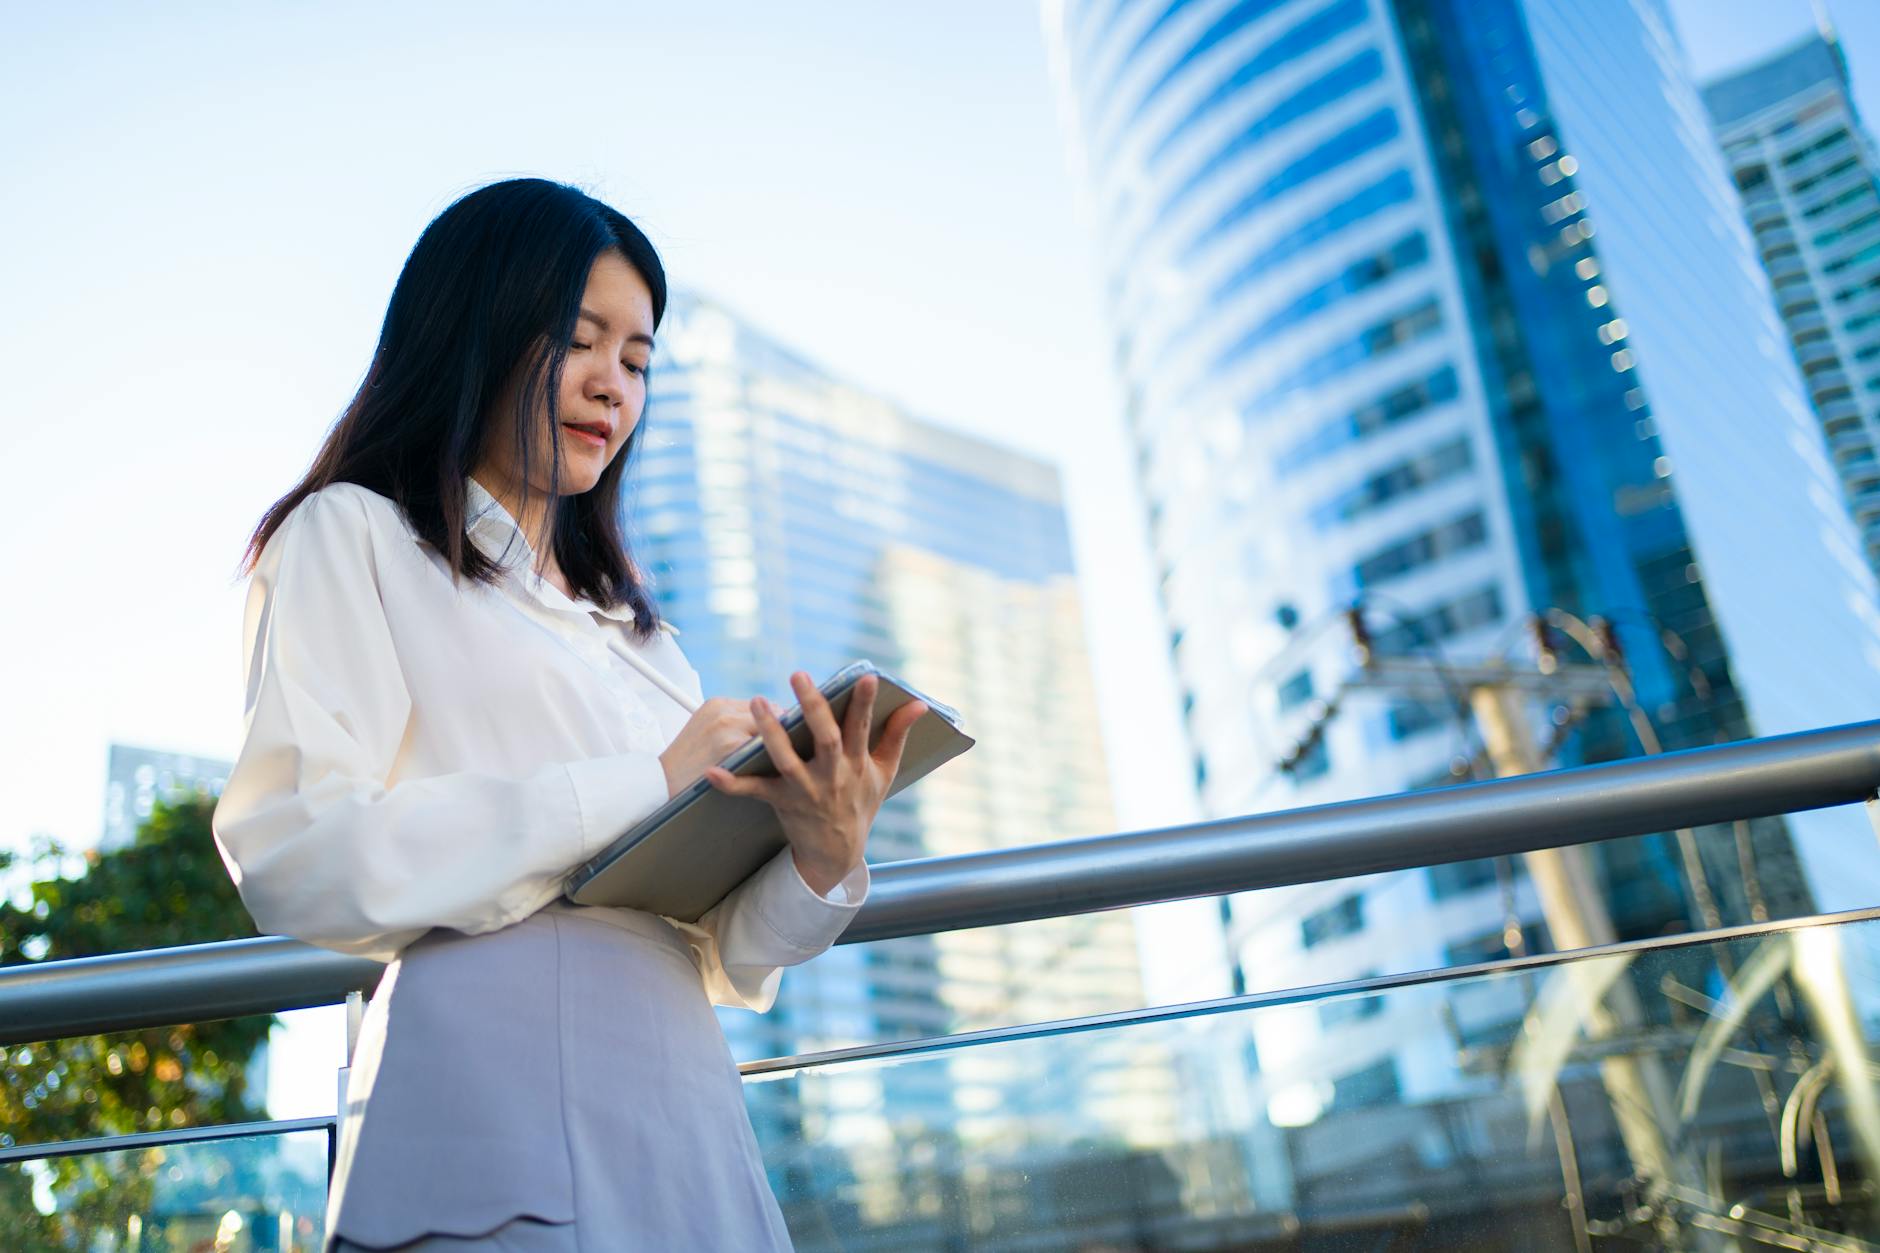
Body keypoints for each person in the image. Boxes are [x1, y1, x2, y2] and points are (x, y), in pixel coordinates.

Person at [210, 177, 927, 1251]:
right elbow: (298, 852)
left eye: (638, 361)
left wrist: (817, 858)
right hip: (490, 1131)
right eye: (577, 339)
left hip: (687, 1136)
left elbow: (720, 954)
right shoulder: (353, 536)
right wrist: (646, 784)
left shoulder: (644, 645)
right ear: (475, 329)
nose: (612, 386)